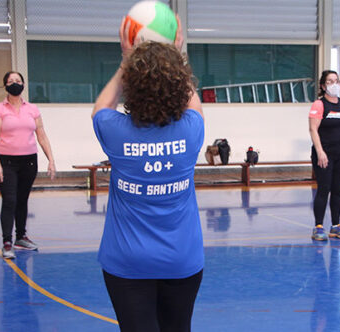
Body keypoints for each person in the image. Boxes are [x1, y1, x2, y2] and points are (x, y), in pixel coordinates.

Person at [92, 16, 204, 332]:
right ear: (180, 80)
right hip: (181, 261)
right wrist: (175, 56)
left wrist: (127, 61)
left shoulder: (115, 132)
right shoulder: (192, 130)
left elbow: (101, 106)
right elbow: (191, 101)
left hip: (126, 264)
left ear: (130, 85)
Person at [0, 71, 56, 259]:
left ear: (24, 84)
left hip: (29, 161)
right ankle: (7, 242)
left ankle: (21, 237)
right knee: (10, 200)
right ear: (5, 86)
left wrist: (51, 159)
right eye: (11, 81)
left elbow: (41, 135)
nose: (15, 84)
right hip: (7, 161)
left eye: (18, 81)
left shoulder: (32, 109)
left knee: (22, 199)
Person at [308, 70, 340, 241]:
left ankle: (336, 226)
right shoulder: (319, 105)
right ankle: (318, 226)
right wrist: (320, 151)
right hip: (324, 154)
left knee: (337, 190)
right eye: (330, 81)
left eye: (336, 81)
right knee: (324, 189)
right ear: (323, 85)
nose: (334, 84)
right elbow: (313, 129)